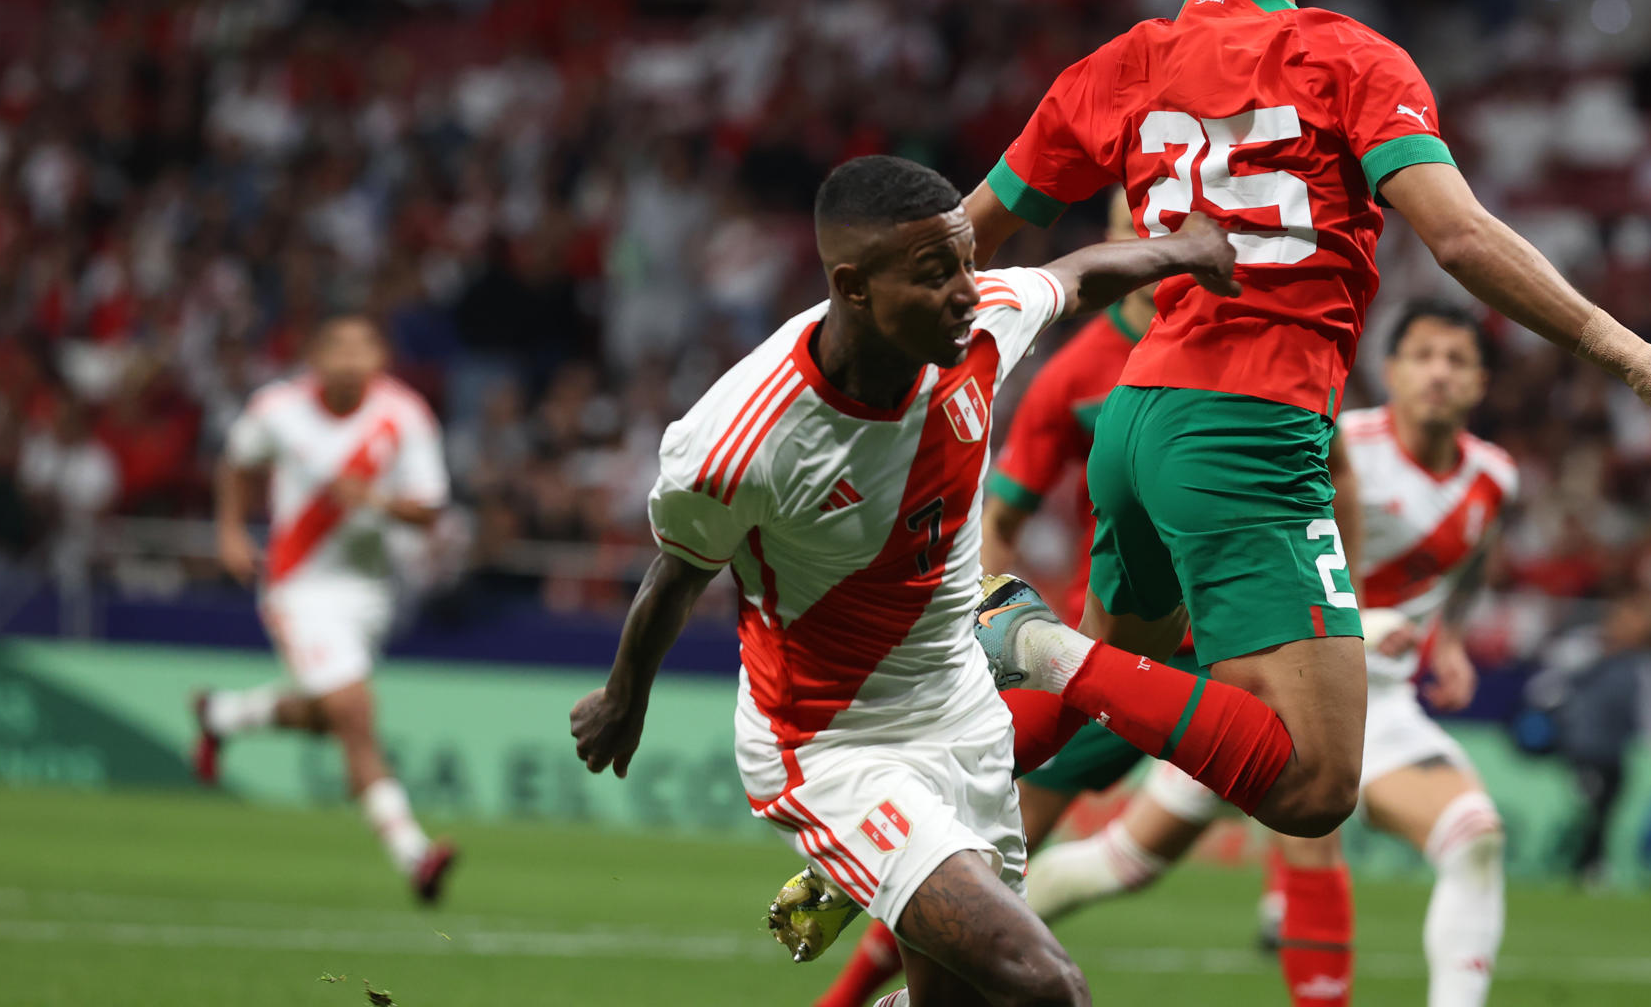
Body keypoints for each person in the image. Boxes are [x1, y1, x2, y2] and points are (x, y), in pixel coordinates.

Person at [959, 0, 1651, 843]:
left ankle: (922, 803)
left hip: (1135, 419)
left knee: (1108, 686)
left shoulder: (1116, 67)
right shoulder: (1349, 60)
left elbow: (965, 237)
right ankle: (1032, 640)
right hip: (1248, 431)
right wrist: (1641, 358)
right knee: (1311, 783)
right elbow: (1463, 238)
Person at [570, 156, 1275, 1007]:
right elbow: (677, 577)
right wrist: (623, 696)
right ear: (853, 285)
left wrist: (1186, 249)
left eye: (967, 265)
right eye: (935, 274)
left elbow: (1070, 276)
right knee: (1049, 990)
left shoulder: (976, 330)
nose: (966, 292)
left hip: (966, 720)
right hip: (834, 750)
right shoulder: (740, 439)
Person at [808, 194, 1339, 1007]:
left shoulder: (1247, 328)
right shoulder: (1076, 372)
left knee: (1296, 813)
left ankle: (873, 899)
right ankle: (854, 961)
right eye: (1135, 223)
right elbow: (1003, 517)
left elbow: (1338, 473)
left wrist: (1350, 582)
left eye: (1164, 220)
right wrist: (974, 619)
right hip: (1128, 644)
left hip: (1241, 627)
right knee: (995, 840)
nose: (1150, 236)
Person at [1021, 300, 1515, 1007]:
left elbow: (1472, 562)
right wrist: (1360, 621)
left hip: (1387, 702)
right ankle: (957, 945)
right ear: (1393, 369)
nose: (1439, 374)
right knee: (1118, 864)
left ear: (1481, 383)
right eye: (1424, 356)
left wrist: (1456, 640)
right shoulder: (1328, 439)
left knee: (1474, 837)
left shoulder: (1497, 478)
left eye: (1458, 361)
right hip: (1280, 671)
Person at [192, 313, 458, 903]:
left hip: (371, 591)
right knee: (354, 713)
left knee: (331, 714)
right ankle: (414, 856)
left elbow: (431, 509)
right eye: (336, 346)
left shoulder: (403, 415)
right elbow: (236, 463)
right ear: (314, 356)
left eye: (362, 345)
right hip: (298, 587)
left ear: (380, 356)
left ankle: (223, 715)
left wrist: (375, 500)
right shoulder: (277, 410)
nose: (349, 357)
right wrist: (231, 532)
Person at [1525, 591, 1651, 888]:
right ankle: (1590, 868)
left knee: (1605, 808)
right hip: (1578, 748)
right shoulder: (1583, 649)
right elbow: (1542, 687)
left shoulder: (1649, 667)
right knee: (1593, 804)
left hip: (1613, 752)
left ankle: (1585, 865)